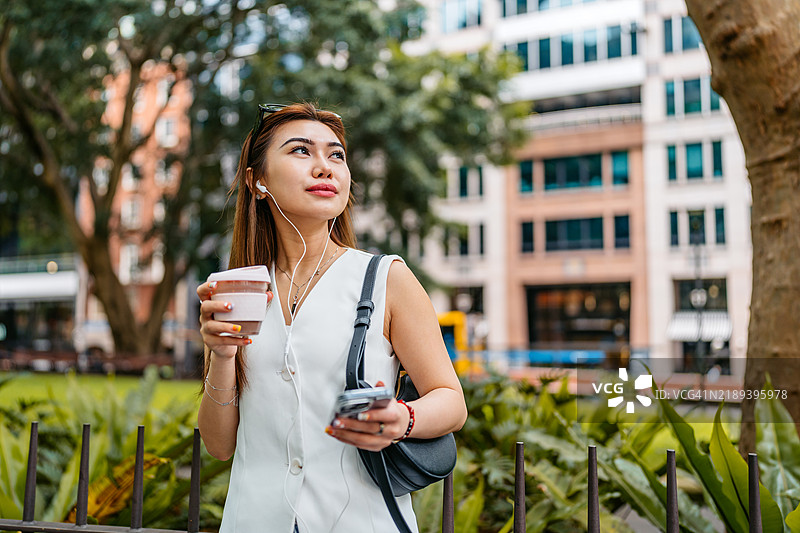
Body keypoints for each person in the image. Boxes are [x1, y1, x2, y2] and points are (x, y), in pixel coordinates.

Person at [196, 102, 467, 533]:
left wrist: (403, 418)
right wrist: (222, 355)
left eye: (336, 155)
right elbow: (218, 444)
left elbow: (451, 401)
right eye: (302, 151)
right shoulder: (238, 290)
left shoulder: (384, 278)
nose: (325, 167)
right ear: (258, 180)